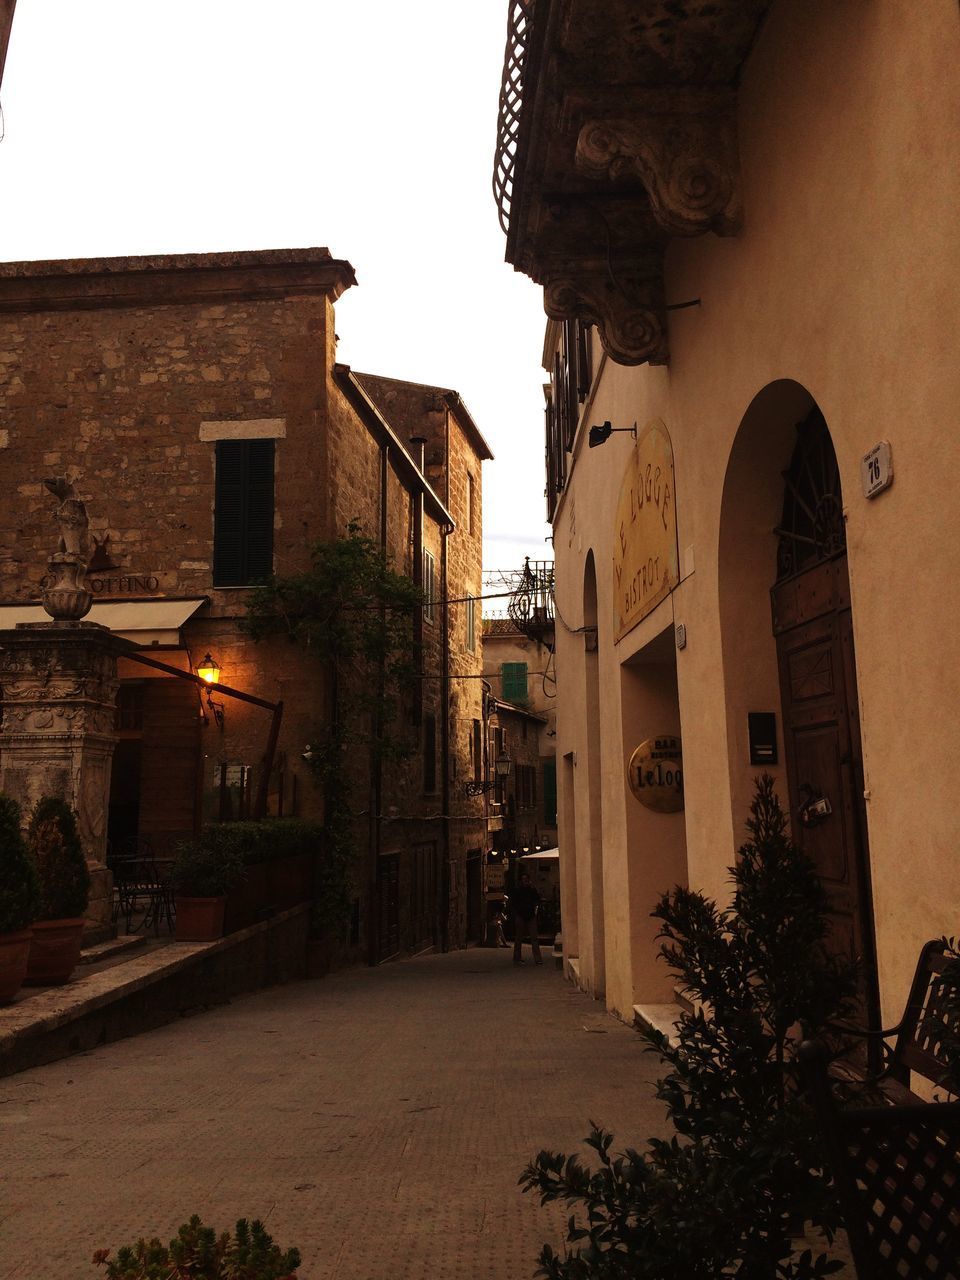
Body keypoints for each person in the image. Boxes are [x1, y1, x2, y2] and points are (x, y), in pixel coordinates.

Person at [512, 871, 542, 965]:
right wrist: (517, 912)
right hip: (520, 915)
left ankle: (538, 959)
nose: (525, 881)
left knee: (534, 937)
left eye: (526, 879)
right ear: (521, 881)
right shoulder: (518, 890)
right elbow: (514, 902)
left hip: (531, 915)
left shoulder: (532, 890)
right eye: (523, 879)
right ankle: (517, 958)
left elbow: (537, 899)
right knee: (518, 938)